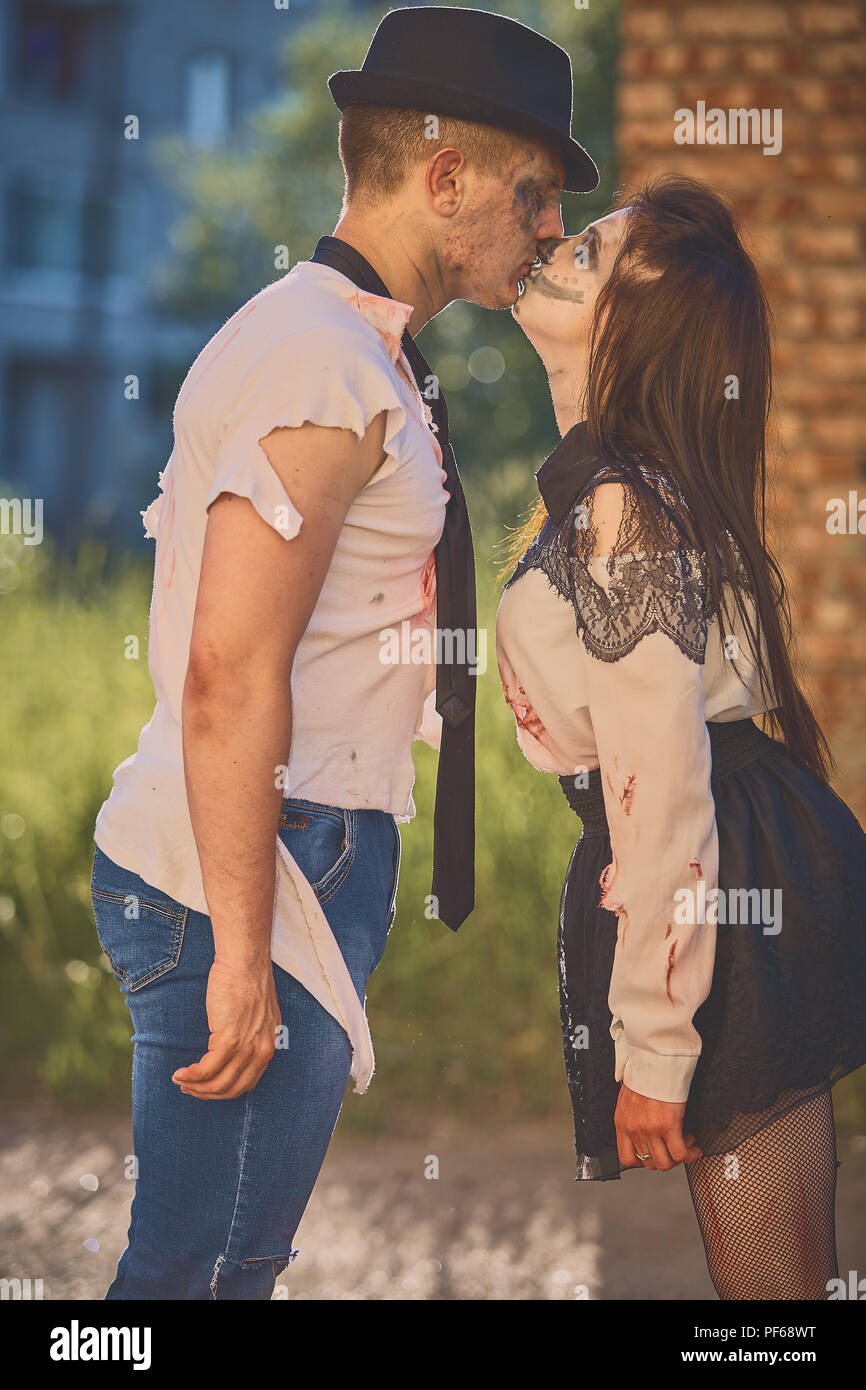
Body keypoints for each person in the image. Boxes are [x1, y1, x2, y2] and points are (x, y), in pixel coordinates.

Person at [88, 6, 598, 1300]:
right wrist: (244, 954)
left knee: (224, 1262)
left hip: (295, 847)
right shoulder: (319, 359)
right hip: (255, 861)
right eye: (535, 195)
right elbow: (227, 673)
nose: (548, 230)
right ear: (443, 177)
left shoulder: (357, 348)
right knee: (199, 1270)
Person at [496, 173, 866, 1300]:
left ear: (630, 320)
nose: (553, 244)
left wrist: (653, 1044)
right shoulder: (631, 489)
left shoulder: (625, 506)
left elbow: (658, 789)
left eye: (587, 253)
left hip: (722, 877)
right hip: (755, 855)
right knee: (787, 1281)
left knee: (769, 1293)